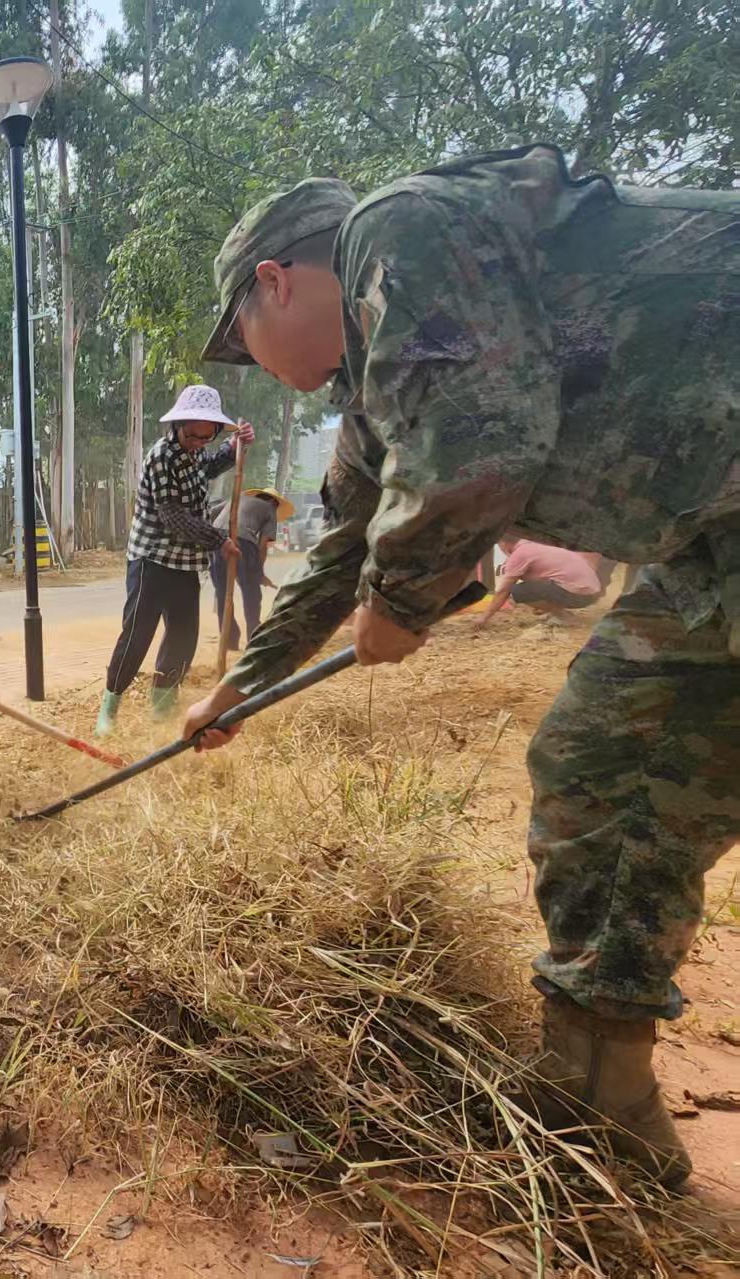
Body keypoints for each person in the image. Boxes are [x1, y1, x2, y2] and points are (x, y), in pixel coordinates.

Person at [183, 144, 739, 1187]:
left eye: (244, 340)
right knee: (597, 768)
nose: (255, 364)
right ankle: (596, 1094)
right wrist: (241, 686)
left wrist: (401, 599)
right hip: (708, 545)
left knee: (612, 770)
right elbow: (342, 543)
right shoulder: (371, 390)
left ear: (274, 281)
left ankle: (594, 1091)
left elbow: (483, 441)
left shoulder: (394, 229)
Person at [96, 384, 254, 736]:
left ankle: (163, 707)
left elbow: (209, 467)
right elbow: (173, 517)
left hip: (184, 563)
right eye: (193, 435)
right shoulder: (161, 457)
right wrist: (219, 540)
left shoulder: (198, 452)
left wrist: (235, 445)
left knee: (184, 635)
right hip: (151, 558)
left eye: (207, 436)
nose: (198, 442)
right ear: (178, 425)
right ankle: (110, 705)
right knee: (137, 634)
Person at [209, 487, 293, 649]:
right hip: (243, 541)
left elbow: (211, 513)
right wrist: (259, 573)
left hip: (216, 539)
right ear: (274, 502)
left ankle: (229, 640)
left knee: (222, 592)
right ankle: (254, 639)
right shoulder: (270, 509)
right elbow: (262, 545)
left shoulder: (238, 497)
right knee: (251, 594)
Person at [477, 537, 604, 624]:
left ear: (503, 543)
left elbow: (503, 590)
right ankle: (558, 611)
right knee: (527, 587)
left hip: (579, 595)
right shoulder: (535, 546)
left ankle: (562, 616)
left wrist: (485, 617)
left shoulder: (520, 553)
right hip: (593, 593)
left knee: (517, 591)